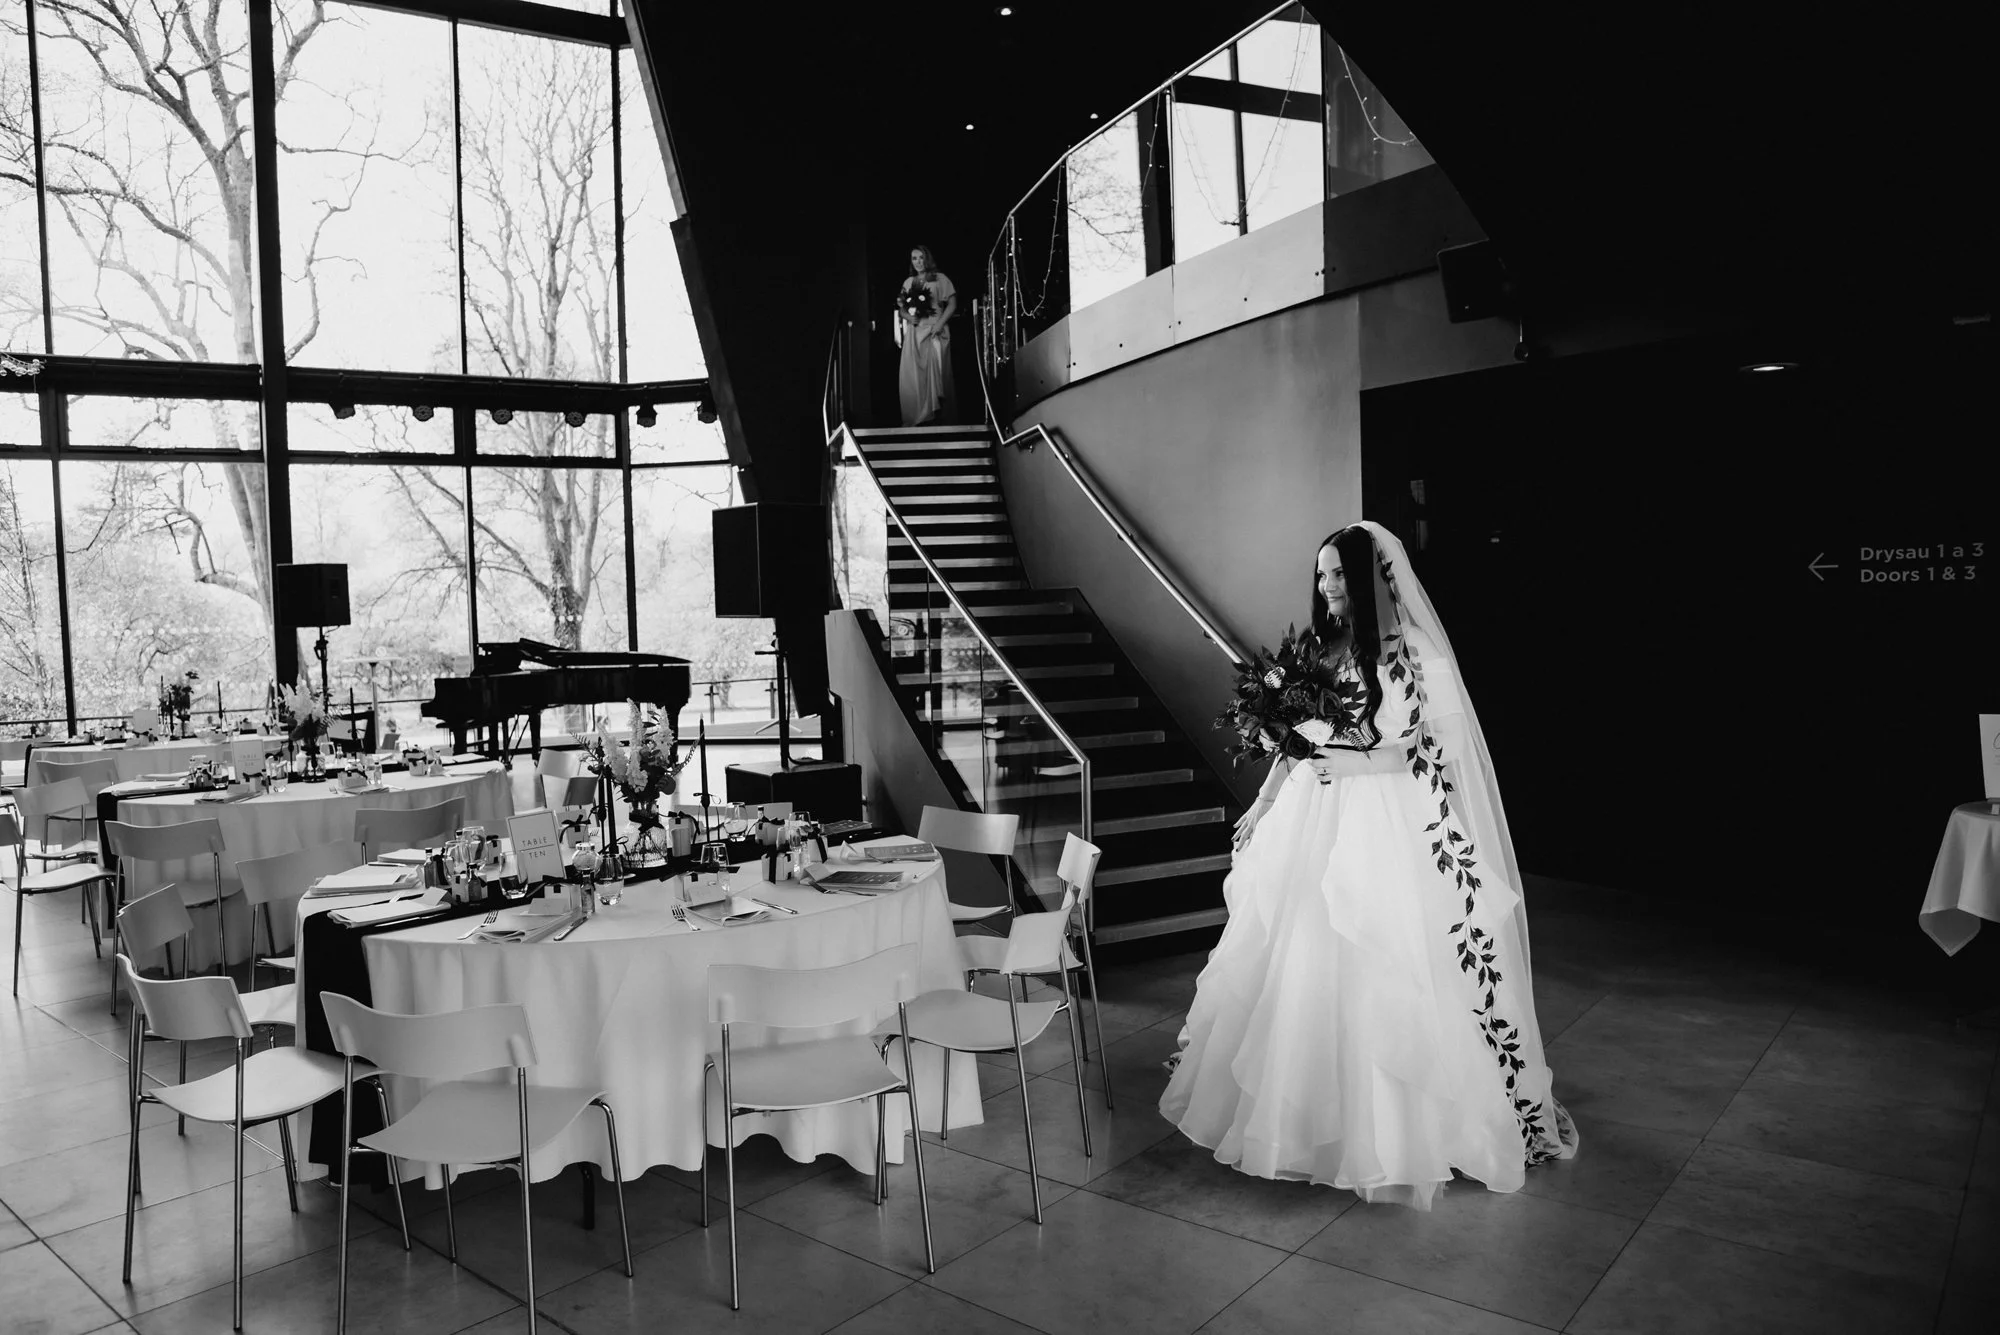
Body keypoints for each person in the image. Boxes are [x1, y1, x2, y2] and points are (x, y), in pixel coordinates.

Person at [1160, 520, 1577, 1209]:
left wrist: (1323, 752)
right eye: (1320, 576)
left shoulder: (1415, 656)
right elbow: (1293, 744)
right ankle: (1304, 1121)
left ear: (1369, 580)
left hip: (1392, 820)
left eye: (1336, 576)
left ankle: (1407, 1130)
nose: (1326, 590)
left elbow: (1411, 751)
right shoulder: (1324, 650)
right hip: (1315, 814)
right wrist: (1264, 804)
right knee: (1301, 954)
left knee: (1391, 960)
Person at [895, 244, 956, 425]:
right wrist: (908, 317)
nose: (918, 262)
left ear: (927, 259)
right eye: (914, 258)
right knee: (915, 376)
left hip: (935, 331)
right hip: (916, 333)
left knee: (938, 374)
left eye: (921, 258)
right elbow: (901, 309)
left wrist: (940, 323)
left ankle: (938, 416)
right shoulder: (909, 282)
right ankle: (920, 415)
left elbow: (952, 304)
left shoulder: (940, 279)